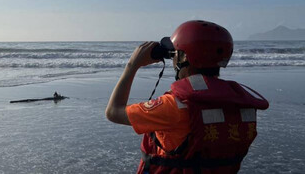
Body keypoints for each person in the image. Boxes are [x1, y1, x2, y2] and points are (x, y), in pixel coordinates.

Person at [105, 20, 269, 174]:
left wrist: (132, 65)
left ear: (183, 57)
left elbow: (113, 112)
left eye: (174, 53)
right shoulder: (239, 103)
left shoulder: (173, 106)